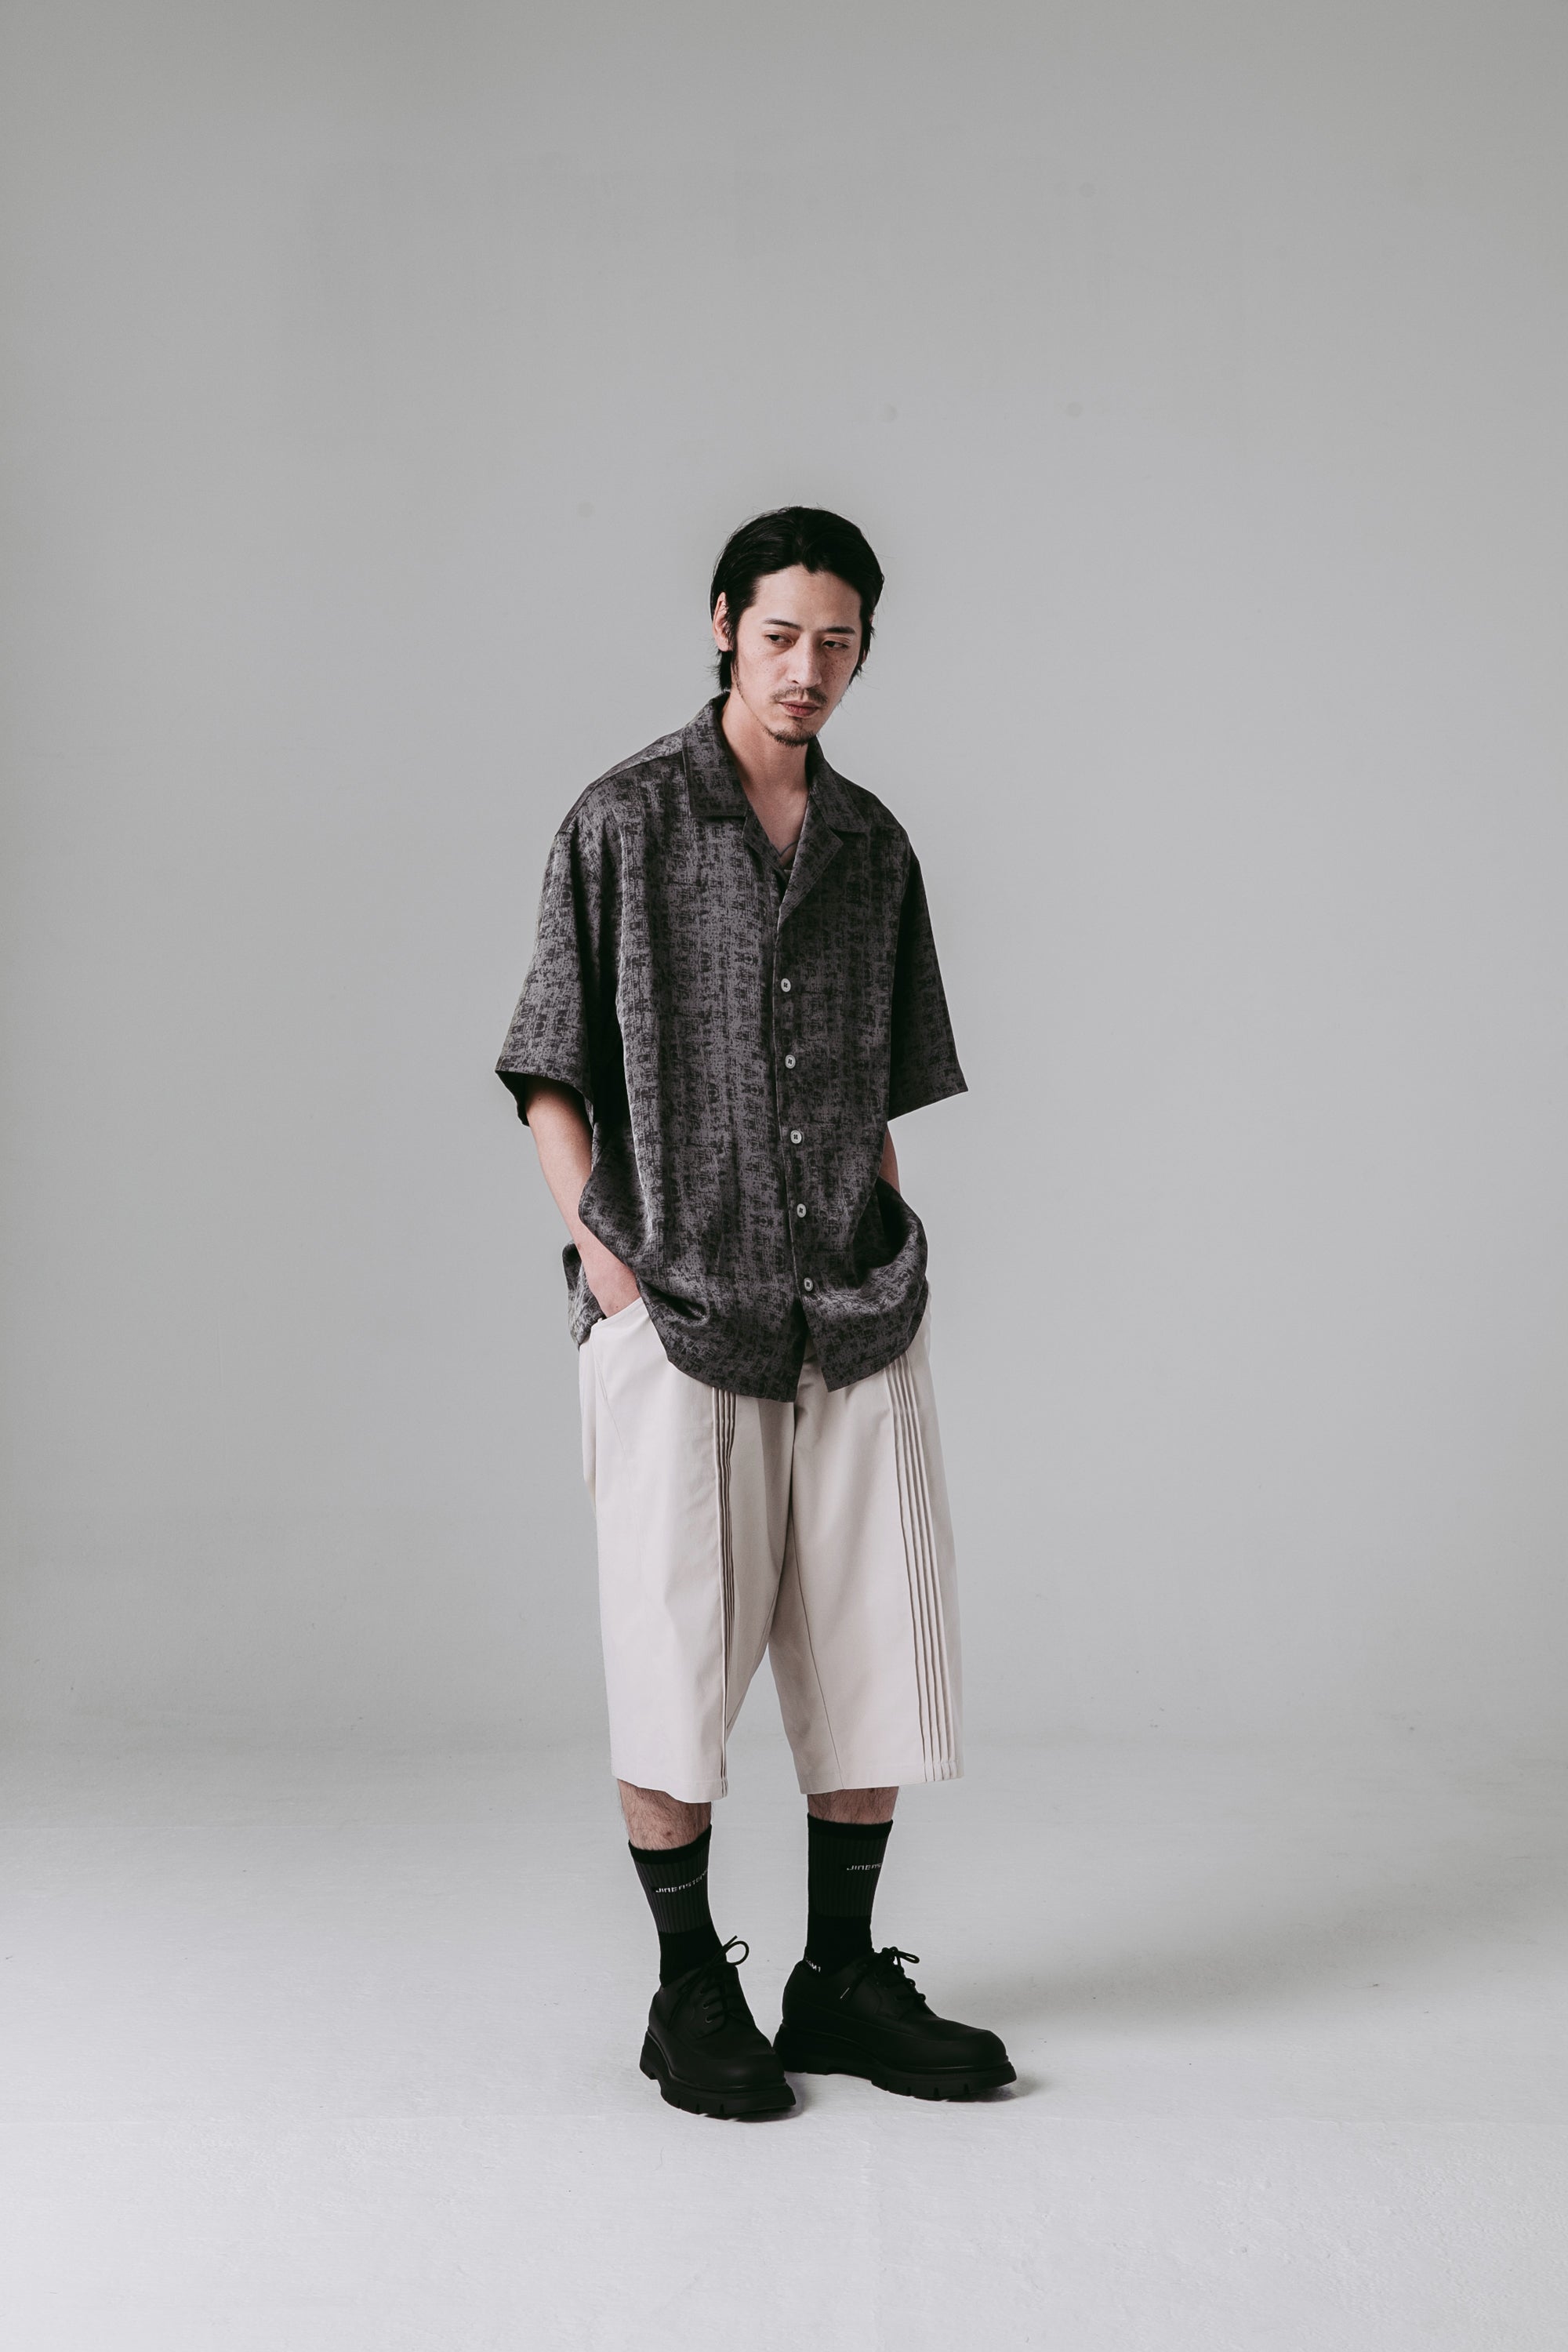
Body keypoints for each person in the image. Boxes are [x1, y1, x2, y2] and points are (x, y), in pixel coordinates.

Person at [496, 506, 1013, 2117]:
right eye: (782, 635)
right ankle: (685, 1991)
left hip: (852, 1305)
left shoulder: (873, 848)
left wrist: (886, 1234)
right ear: (724, 622)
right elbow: (548, 1066)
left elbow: (885, 1087)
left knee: (872, 1654)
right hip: (681, 1301)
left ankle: (836, 1982)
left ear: (863, 652)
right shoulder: (624, 822)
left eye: (837, 643)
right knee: (674, 1662)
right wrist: (610, 1265)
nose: (808, 669)